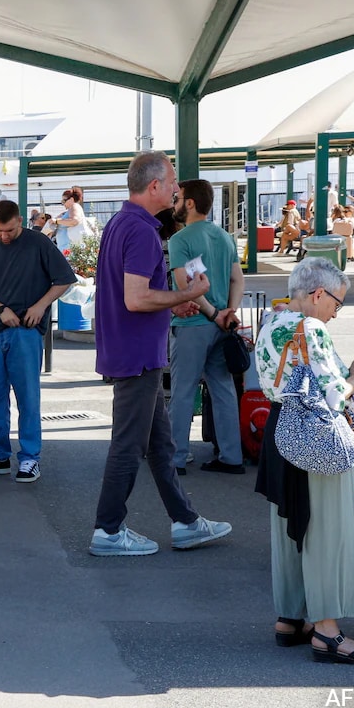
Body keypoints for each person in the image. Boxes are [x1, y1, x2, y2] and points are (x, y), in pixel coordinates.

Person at [89, 151, 232, 557]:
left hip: (136, 352)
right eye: (172, 182)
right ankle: (108, 530)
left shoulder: (122, 223)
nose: (176, 190)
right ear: (154, 186)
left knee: (159, 445)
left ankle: (185, 522)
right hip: (137, 355)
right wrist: (186, 294)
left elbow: (130, 295)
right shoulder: (139, 231)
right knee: (129, 445)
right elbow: (135, 298)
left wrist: (172, 302)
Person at [254, 258, 354, 665]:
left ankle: (291, 618)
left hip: (281, 432)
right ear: (317, 294)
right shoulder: (312, 329)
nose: (335, 312)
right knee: (328, 532)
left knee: (291, 527)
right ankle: (327, 632)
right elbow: (334, 396)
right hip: (317, 435)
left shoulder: (271, 322)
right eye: (337, 304)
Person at [0, 200, 76, 483]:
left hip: (26, 330)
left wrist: (40, 306)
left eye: (10, 230)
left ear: (20, 220)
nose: (4, 236)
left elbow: (64, 279)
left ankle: (29, 458)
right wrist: (0, 309)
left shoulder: (38, 242)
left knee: (28, 398)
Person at [166, 179, 246, 476]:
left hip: (194, 323)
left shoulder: (181, 240)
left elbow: (185, 285)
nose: (174, 203)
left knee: (184, 390)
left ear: (189, 203)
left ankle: (175, 458)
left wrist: (213, 313)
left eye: (178, 198)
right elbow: (238, 279)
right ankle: (231, 456)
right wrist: (229, 312)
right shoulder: (225, 236)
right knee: (222, 388)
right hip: (222, 326)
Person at [54, 186, 91, 252]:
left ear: (71, 199)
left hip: (72, 251)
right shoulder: (68, 211)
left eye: (64, 201)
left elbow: (74, 221)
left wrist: (57, 221)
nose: (63, 204)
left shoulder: (74, 206)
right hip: (67, 250)